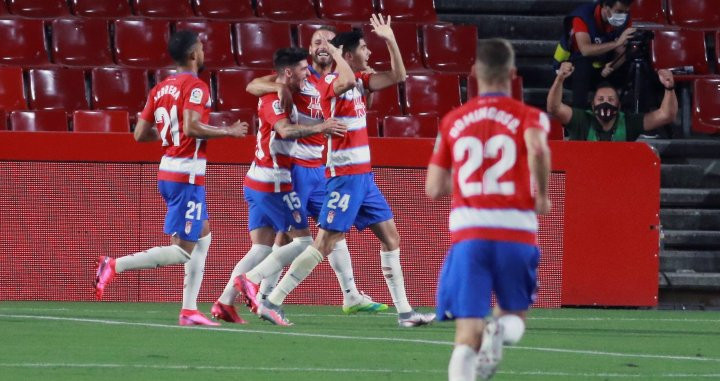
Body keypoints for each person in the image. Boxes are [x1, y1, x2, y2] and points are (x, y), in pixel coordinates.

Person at [235, 14, 436, 328]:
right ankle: (264, 291)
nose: (369, 54)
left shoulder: (358, 81)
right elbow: (257, 84)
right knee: (320, 242)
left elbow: (398, 75)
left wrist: (390, 39)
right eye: (365, 49)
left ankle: (406, 313)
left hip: (363, 176)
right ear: (350, 54)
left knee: (391, 238)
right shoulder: (330, 82)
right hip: (340, 174)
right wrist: (338, 52)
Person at [93, 30, 249, 326]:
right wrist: (227, 131)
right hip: (185, 175)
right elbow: (191, 127)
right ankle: (113, 265)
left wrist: (169, 136)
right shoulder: (197, 86)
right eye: (201, 48)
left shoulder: (161, 88)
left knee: (203, 238)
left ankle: (189, 310)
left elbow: (140, 134)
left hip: (168, 169)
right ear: (193, 54)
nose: (203, 52)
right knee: (182, 251)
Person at [426, 38, 552, 381]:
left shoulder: (453, 120)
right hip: (517, 230)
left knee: (466, 335)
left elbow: (434, 188)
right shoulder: (529, 116)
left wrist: (472, 184)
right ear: (513, 74)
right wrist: (541, 194)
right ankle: (499, 331)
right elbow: (538, 149)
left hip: (470, 233)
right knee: (514, 317)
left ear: (473, 74)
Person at [244, 26, 388, 315]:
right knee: (287, 237)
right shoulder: (300, 75)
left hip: (320, 167)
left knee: (334, 230)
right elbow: (253, 86)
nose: (322, 45)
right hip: (295, 167)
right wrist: (280, 86)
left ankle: (350, 295)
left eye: (327, 41)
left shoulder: (339, 79)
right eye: (316, 41)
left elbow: (365, 102)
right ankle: (262, 296)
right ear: (310, 51)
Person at [210, 47, 348, 324]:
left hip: (257, 178)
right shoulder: (272, 98)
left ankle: (224, 303)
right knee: (304, 241)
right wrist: (322, 127)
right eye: (301, 69)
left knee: (260, 248)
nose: (306, 73)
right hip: (273, 182)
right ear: (288, 72)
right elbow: (284, 130)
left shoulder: (286, 91)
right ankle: (252, 283)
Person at [547, 61, 677, 141]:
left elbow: (666, 115)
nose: (605, 103)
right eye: (601, 99)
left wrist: (669, 87)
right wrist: (560, 79)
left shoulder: (629, 122)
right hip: (580, 176)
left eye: (610, 99)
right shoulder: (581, 119)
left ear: (618, 106)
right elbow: (554, 108)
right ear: (593, 106)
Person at [553, 0, 636, 108]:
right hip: (571, 70)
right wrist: (617, 43)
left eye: (626, 12)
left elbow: (622, 51)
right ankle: (579, 115)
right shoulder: (582, 17)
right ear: (606, 6)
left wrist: (612, 66)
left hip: (603, 68)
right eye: (619, 11)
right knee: (583, 65)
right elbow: (585, 50)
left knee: (634, 64)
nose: (623, 16)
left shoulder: (626, 19)